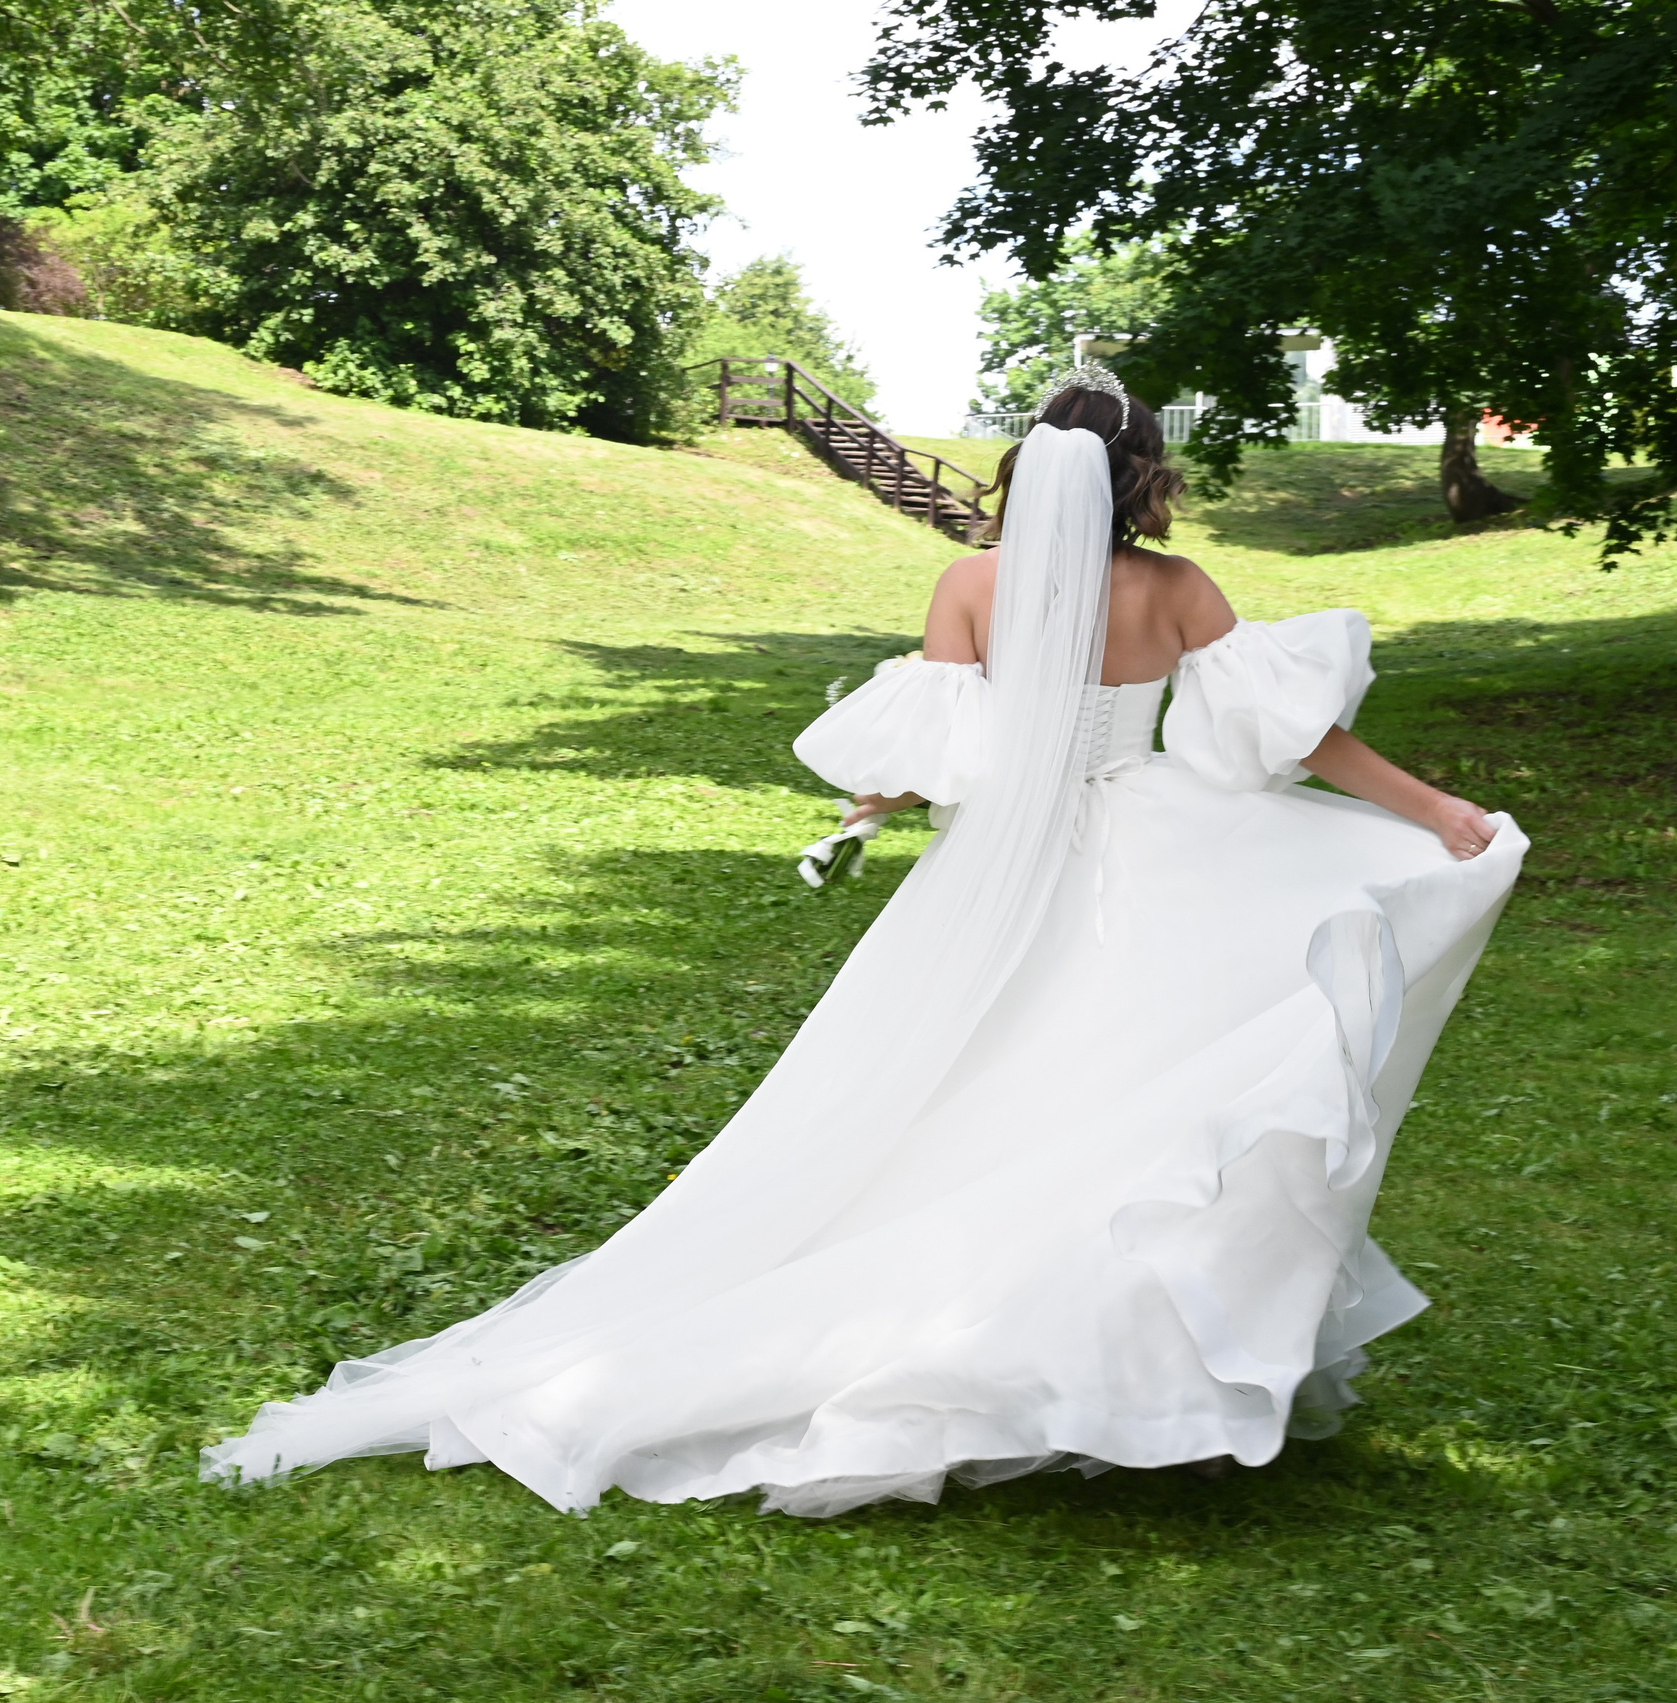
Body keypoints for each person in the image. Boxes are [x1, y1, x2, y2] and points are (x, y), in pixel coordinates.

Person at [203, 371, 1525, 1519]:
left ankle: (1035, 1349)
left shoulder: (970, 584)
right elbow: (1300, 739)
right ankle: (1116, 1362)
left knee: (957, 1086)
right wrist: (1438, 814)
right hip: (1154, 848)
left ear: (1028, 472)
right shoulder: (1176, 589)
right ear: (1143, 476)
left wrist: (864, 812)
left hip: (1001, 868)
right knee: (1139, 1095)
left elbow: (948, 743)